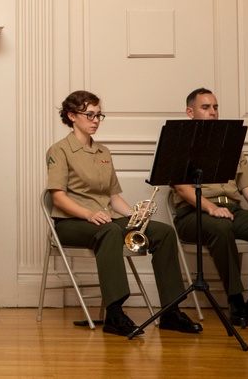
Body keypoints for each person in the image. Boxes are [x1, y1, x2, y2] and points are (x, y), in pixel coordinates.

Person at [46, 89, 203, 338]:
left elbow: (112, 197)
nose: (95, 120)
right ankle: (115, 313)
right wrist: (88, 214)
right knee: (109, 231)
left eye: (99, 115)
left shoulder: (103, 152)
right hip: (72, 223)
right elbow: (58, 197)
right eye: (89, 114)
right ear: (71, 116)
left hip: (105, 220)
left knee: (162, 232)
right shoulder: (59, 150)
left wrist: (134, 215)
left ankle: (171, 312)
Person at [171, 88, 248, 326]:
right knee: (220, 228)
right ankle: (236, 299)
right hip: (193, 214)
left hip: (231, 211)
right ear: (190, 112)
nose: (213, 113)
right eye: (205, 108)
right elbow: (183, 189)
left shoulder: (231, 143)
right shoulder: (179, 142)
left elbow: (247, 189)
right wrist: (210, 208)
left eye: (215, 107)